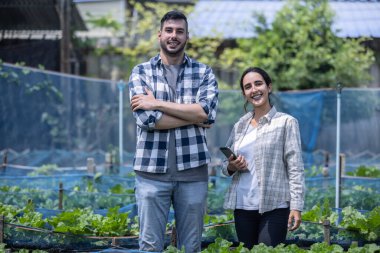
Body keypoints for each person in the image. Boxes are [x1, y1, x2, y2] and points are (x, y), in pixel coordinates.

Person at [128, 10, 218, 252]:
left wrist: (157, 103)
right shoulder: (141, 72)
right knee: (150, 246)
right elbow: (147, 119)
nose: (174, 35)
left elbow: (206, 112)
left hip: (193, 173)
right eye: (169, 30)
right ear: (159, 34)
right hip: (150, 173)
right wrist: (194, 116)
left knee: (192, 247)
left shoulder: (204, 72)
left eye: (180, 31)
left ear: (187, 36)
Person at [222, 67, 305, 249]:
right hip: (243, 206)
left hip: (274, 205)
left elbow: (295, 167)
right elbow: (224, 166)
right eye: (248, 87)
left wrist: (296, 206)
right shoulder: (240, 125)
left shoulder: (286, 122)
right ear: (245, 94)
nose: (254, 89)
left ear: (269, 87)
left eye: (258, 84)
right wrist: (232, 166)